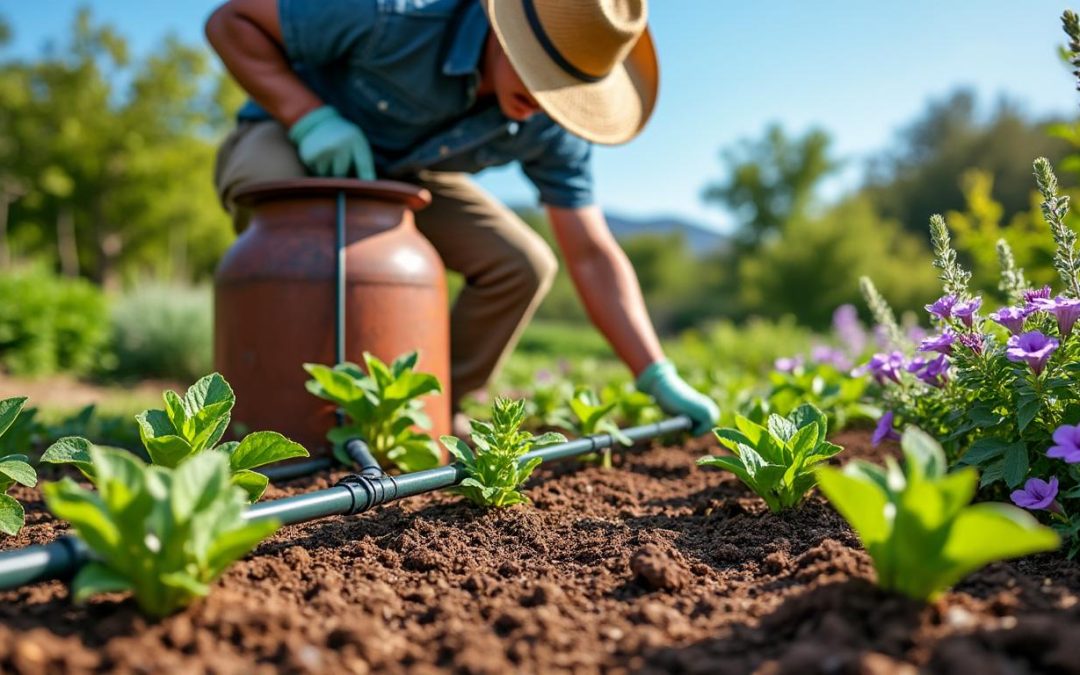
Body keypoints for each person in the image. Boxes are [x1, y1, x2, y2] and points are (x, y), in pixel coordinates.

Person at [205, 0, 719, 435]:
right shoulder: (395, 16)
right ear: (508, 29)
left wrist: (655, 373)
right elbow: (230, 22)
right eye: (543, 73)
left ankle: (423, 412)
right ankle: (271, 415)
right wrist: (308, 116)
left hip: (405, 176)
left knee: (521, 265)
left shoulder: (552, 123)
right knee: (292, 224)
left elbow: (590, 253)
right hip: (290, 136)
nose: (546, 103)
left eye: (566, 91)